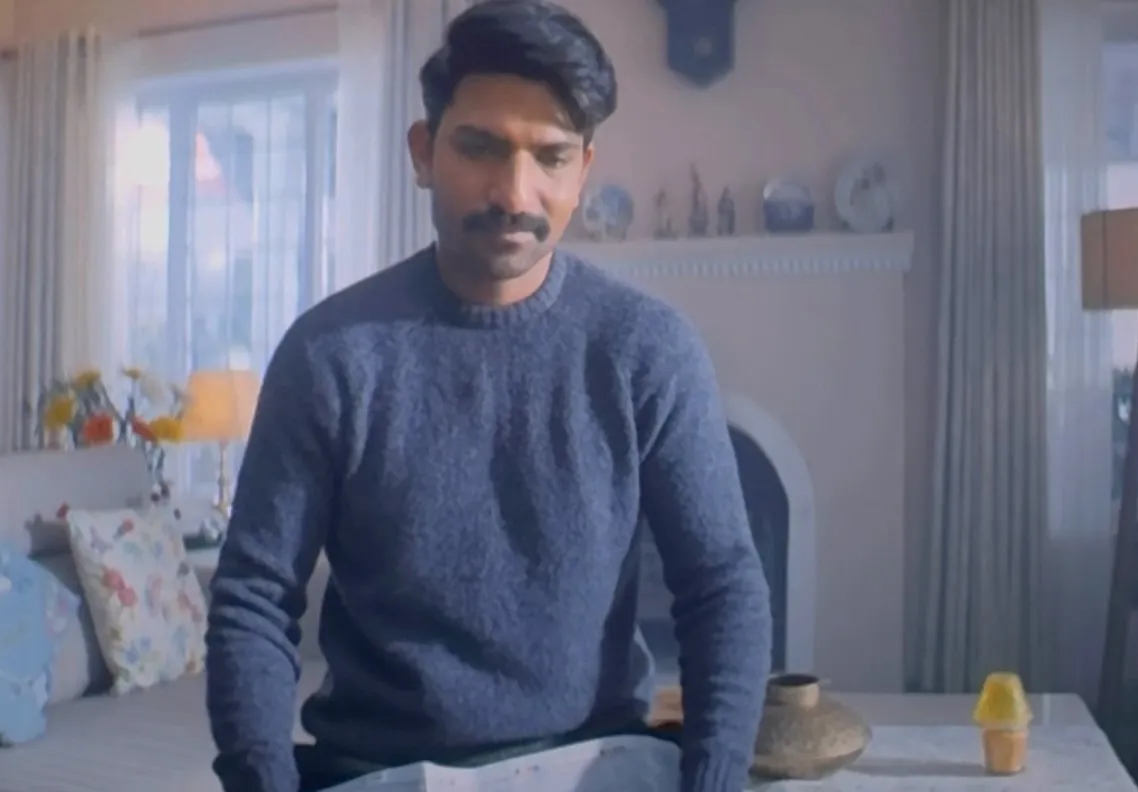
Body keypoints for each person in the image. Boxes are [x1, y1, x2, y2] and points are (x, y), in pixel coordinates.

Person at [203, 2, 773, 791]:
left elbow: (723, 588)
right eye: (481, 147)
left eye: (551, 156)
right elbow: (254, 599)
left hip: (594, 764)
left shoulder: (648, 350)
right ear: (423, 151)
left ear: (583, 172)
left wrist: (714, 780)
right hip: (386, 770)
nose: (515, 192)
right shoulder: (329, 354)